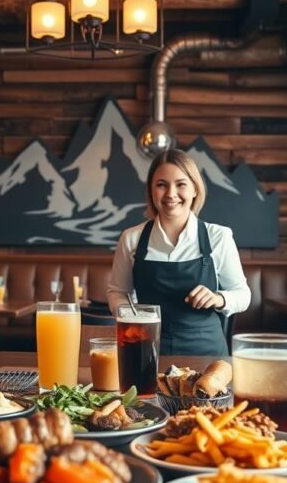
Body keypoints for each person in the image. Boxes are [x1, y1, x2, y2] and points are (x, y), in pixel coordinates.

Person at [107, 149, 251, 356]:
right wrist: (129, 314)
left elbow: (243, 294)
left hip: (207, 353)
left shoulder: (218, 236)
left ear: (194, 189)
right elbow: (117, 292)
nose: (170, 194)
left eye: (181, 184)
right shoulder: (131, 238)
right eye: (161, 185)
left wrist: (218, 298)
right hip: (146, 350)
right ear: (151, 191)